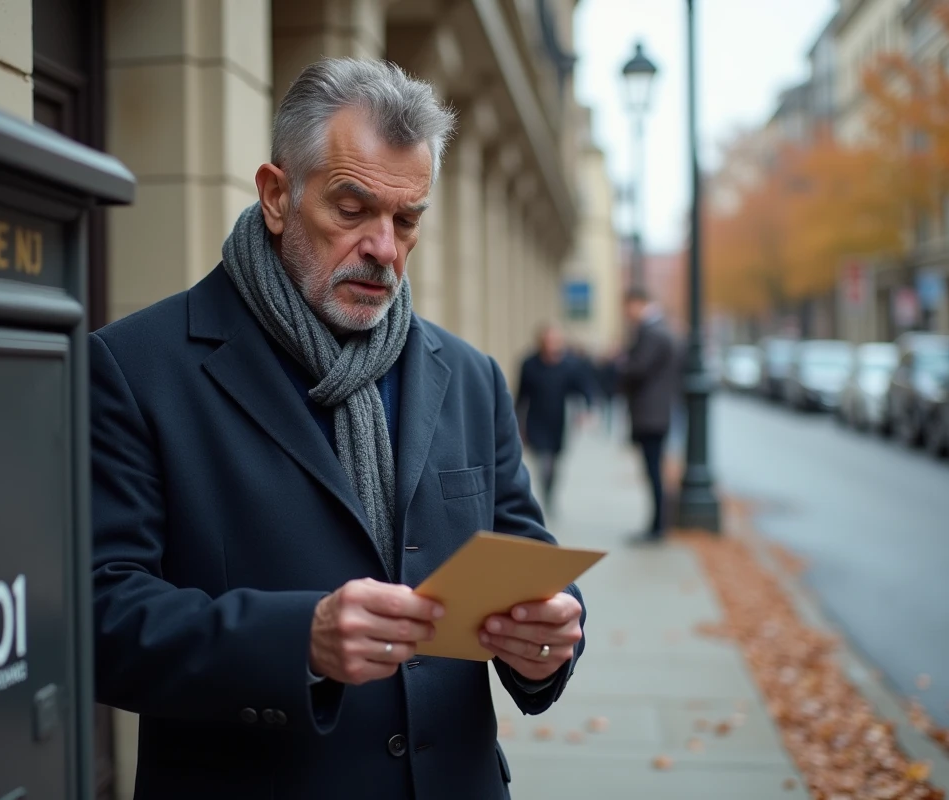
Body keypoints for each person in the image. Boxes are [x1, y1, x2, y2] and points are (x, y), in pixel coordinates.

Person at [89, 58, 587, 800]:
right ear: (277, 195)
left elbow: (527, 559)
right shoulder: (135, 368)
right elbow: (99, 616)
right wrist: (301, 641)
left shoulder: (470, 376)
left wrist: (548, 635)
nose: (384, 248)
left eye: (406, 220)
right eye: (352, 210)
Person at [617, 287, 680, 543]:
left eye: (627, 307)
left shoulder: (651, 332)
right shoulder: (659, 329)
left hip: (651, 414)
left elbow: (637, 368)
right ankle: (657, 525)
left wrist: (621, 365)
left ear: (637, 303)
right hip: (655, 413)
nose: (625, 313)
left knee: (653, 471)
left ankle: (658, 527)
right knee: (654, 470)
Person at [515, 325, 594, 513]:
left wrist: (588, 409)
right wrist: (516, 421)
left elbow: (584, 387)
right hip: (536, 419)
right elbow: (521, 395)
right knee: (543, 459)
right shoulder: (529, 364)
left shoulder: (570, 365)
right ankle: (545, 491)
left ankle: (550, 492)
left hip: (559, 420)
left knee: (555, 461)